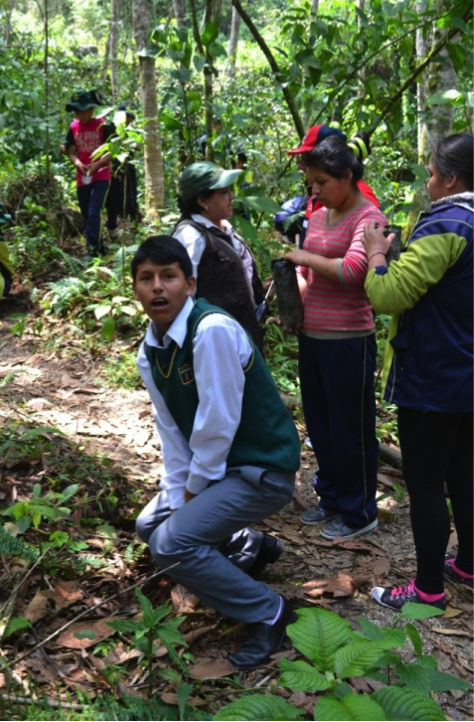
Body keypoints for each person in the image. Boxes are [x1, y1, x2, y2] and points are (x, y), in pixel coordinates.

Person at [132, 235, 301, 668]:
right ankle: (250, 546)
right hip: (222, 469)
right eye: (146, 278)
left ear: (189, 285)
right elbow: (171, 430)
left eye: (168, 277)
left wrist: (193, 492)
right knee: (150, 525)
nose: (157, 288)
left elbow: (217, 423)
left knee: (170, 545)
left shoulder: (211, 330)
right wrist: (176, 494)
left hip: (259, 469)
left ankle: (270, 612)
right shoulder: (150, 352)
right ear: (134, 289)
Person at [363, 133, 474, 610]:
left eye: (431, 173)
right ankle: (468, 565)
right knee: (466, 473)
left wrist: (376, 252)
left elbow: (390, 295)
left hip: (434, 375)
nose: (428, 181)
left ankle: (428, 589)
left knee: (427, 482)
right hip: (466, 373)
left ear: (450, 178)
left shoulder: (448, 222)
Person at [284, 136, 387, 539]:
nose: (315, 190)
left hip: (349, 341)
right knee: (321, 425)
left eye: (322, 181)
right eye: (311, 182)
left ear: (347, 177)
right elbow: (309, 274)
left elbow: (353, 271)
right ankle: (329, 499)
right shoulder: (318, 214)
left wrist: (302, 257)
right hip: (313, 337)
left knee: (351, 429)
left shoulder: (369, 217)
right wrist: (295, 306)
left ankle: (360, 512)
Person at [173, 161, 265, 352]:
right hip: (217, 347)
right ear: (202, 201)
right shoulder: (191, 238)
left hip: (242, 339)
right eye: (223, 193)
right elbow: (180, 297)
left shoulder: (222, 229)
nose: (231, 196)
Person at [286, 124, 380, 245]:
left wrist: (306, 259)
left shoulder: (360, 197)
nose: (302, 167)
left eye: (307, 159)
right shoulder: (318, 193)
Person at [64, 89, 115, 257]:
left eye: (83, 110)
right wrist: (78, 163)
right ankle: (101, 248)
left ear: (92, 109)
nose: (79, 113)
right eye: (77, 110)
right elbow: (71, 151)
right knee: (87, 215)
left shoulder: (103, 124)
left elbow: (113, 150)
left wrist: (97, 165)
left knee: (94, 212)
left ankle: (91, 252)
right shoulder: (73, 127)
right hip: (82, 177)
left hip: (101, 174)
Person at [104, 105, 140, 236]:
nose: (128, 120)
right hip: (113, 167)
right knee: (114, 199)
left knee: (131, 195)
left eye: (130, 118)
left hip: (128, 165)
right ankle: (113, 225)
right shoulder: (109, 129)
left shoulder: (129, 131)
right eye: (127, 117)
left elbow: (138, 147)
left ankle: (133, 221)